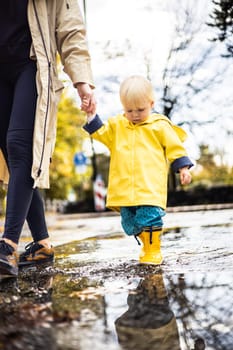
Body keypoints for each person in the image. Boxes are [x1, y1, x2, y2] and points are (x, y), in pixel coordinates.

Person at [0, 0, 96, 277]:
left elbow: (70, 30)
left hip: (31, 67)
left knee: (21, 148)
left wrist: (82, 81)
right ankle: (42, 243)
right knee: (12, 155)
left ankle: (7, 246)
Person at [83, 75, 193, 265]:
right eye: (129, 110)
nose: (134, 114)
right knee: (129, 223)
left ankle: (153, 250)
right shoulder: (118, 126)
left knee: (149, 218)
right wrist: (91, 115)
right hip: (125, 188)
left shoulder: (159, 126)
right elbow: (100, 132)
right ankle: (147, 243)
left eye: (140, 109)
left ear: (151, 103)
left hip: (149, 186)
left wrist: (183, 168)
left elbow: (175, 147)